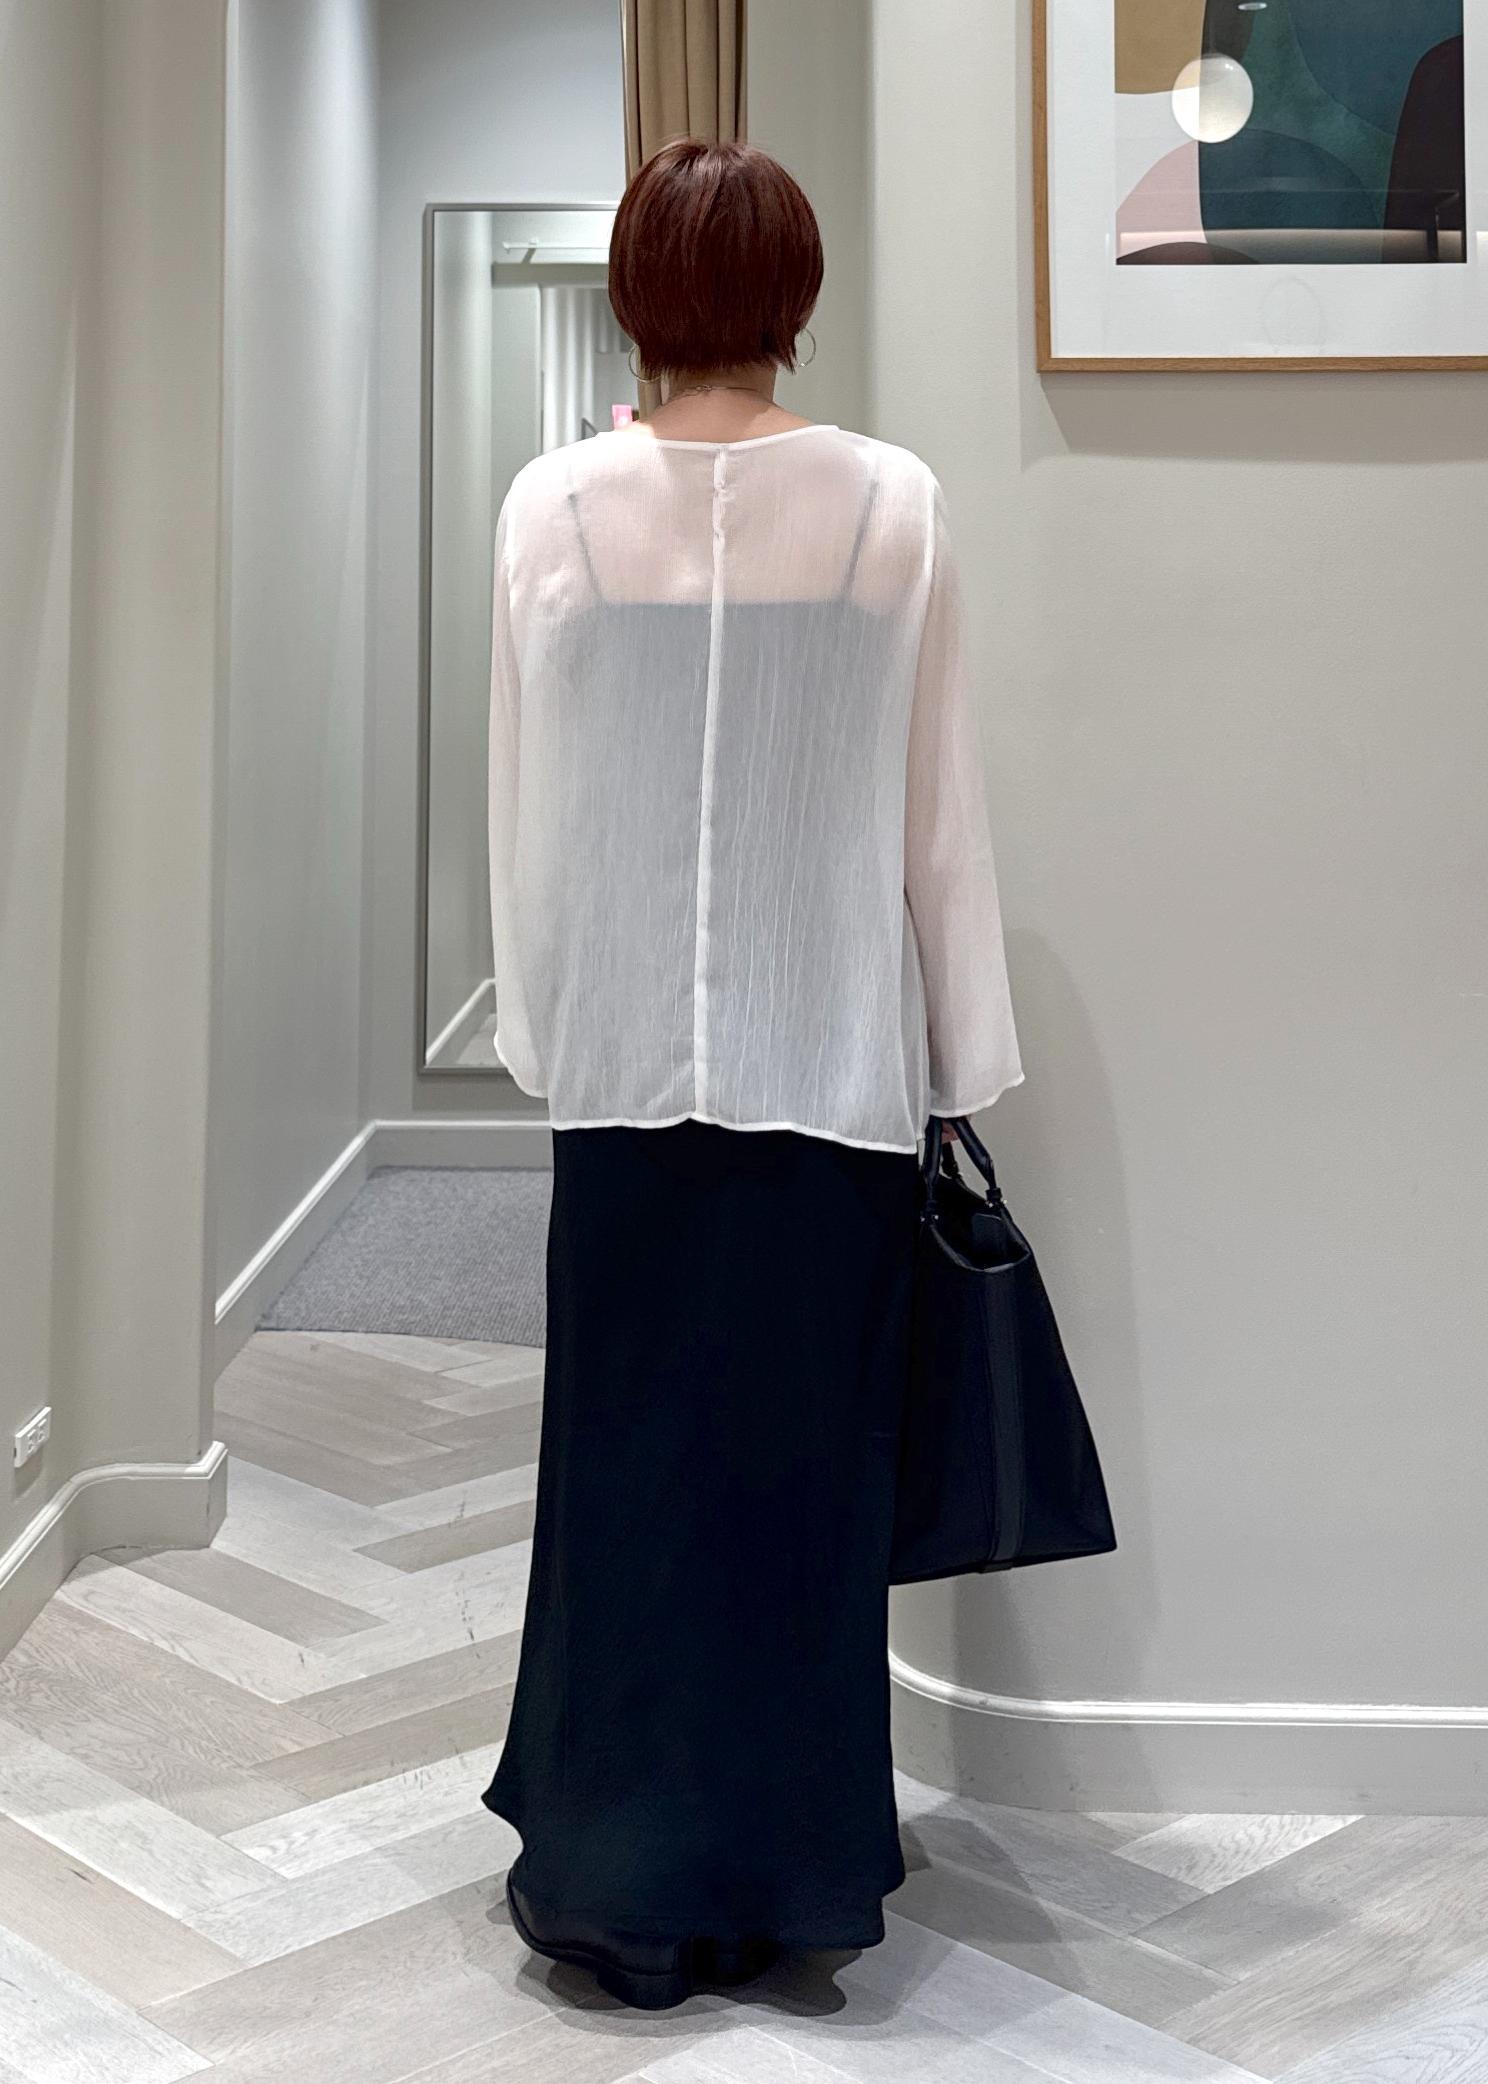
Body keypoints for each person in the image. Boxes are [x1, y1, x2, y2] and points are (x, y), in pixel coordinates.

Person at [480, 136, 1022, 2009]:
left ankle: (610, 1864)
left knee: (625, 1478)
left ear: (638, 292)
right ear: (794, 295)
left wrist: (541, 1026)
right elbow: (940, 818)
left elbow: (529, 808)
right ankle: (794, 1875)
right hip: (835, 1075)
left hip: (625, 1083)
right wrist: (961, 1051)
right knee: (803, 1492)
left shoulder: (553, 505)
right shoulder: (892, 504)